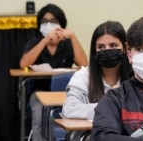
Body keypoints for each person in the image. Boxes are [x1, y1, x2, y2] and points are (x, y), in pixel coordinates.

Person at [19, 3, 88, 141]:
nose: (49, 24)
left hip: (65, 93)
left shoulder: (67, 44)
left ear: (61, 24)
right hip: (39, 92)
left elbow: (84, 64)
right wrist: (45, 41)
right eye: (45, 21)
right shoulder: (36, 42)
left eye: (53, 21)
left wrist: (73, 36)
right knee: (39, 114)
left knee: (77, 110)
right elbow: (23, 64)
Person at [61, 20, 132, 140]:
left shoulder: (136, 76)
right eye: (101, 47)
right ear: (95, 50)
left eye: (114, 46)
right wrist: (109, 108)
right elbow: (69, 109)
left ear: (125, 48)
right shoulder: (83, 76)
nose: (107, 50)